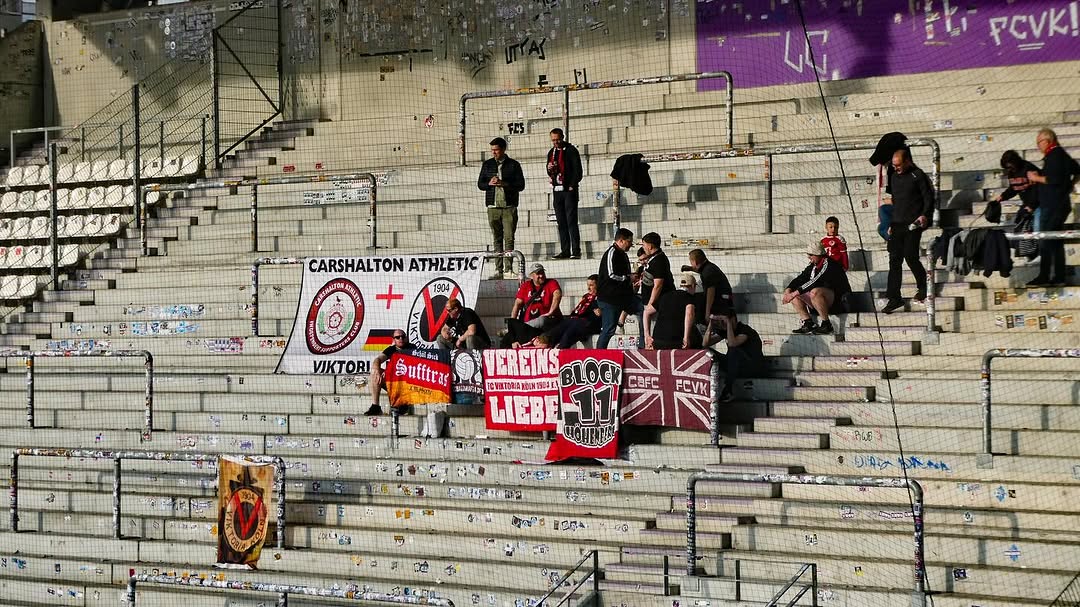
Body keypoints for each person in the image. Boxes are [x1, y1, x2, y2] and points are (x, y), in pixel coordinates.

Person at [882, 148, 934, 314]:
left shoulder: (917, 175)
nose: (896, 168)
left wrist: (925, 215)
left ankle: (923, 286)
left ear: (907, 161)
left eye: (898, 165)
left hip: (913, 223)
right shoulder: (894, 176)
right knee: (894, 260)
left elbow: (928, 198)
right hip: (897, 223)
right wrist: (891, 222)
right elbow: (896, 201)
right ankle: (894, 297)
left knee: (911, 256)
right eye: (894, 165)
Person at [1025, 128, 1079, 287]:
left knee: (1046, 241)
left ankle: (1045, 276)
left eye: (1039, 142)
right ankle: (1059, 277)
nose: (1037, 146)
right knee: (1056, 241)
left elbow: (1054, 179)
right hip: (1058, 205)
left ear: (1048, 141)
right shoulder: (1060, 154)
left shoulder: (1055, 155)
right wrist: (1068, 185)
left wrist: (1036, 177)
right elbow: (1077, 170)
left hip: (1053, 206)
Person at [477, 137, 525, 276]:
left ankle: (508, 268)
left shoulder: (513, 165)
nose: (494, 153)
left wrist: (505, 184)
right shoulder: (487, 165)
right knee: (497, 238)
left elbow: (521, 185)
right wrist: (489, 184)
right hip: (493, 207)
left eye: (496, 150)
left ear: (503, 149)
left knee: (509, 237)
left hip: (508, 206)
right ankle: (498, 269)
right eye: (492, 150)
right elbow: (480, 184)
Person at [783, 241, 848, 335]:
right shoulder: (813, 265)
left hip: (839, 301)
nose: (808, 257)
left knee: (814, 292)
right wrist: (788, 289)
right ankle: (808, 323)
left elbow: (815, 281)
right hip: (823, 299)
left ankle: (826, 324)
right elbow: (802, 278)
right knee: (794, 294)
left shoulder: (829, 264)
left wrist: (795, 292)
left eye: (811, 254)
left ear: (818, 254)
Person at [596, 228, 642, 349]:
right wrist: (628, 278)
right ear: (621, 241)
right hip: (610, 298)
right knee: (609, 329)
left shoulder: (622, 254)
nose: (631, 244)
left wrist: (631, 278)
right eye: (629, 241)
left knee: (643, 309)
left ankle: (643, 344)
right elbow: (611, 275)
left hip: (623, 297)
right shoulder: (612, 253)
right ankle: (598, 355)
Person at [532, 274, 602, 349]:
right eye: (587, 285)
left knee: (574, 325)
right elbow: (579, 311)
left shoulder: (602, 298)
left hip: (591, 324)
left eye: (591, 285)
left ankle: (561, 348)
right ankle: (545, 340)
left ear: (598, 285)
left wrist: (601, 311)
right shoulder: (586, 297)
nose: (588, 288)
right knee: (567, 321)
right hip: (579, 321)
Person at [502, 264, 562, 348]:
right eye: (538, 273)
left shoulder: (551, 282)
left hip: (546, 322)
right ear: (531, 276)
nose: (541, 275)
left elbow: (557, 294)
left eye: (542, 272)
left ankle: (517, 332)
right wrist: (513, 323)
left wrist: (550, 312)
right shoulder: (526, 286)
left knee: (542, 320)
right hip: (528, 326)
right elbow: (517, 304)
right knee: (507, 338)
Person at [712, 308, 765, 403]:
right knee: (708, 353)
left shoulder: (745, 330)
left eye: (723, 321)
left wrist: (728, 323)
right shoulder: (725, 332)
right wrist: (709, 326)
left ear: (732, 319)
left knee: (734, 351)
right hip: (734, 366)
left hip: (751, 367)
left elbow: (732, 343)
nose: (722, 324)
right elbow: (704, 344)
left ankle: (728, 390)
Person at [547, 128, 583, 260]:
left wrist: (572, 185)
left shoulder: (571, 151)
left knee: (571, 221)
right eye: (553, 140)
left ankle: (576, 250)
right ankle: (565, 249)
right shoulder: (551, 152)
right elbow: (549, 169)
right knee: (561, 221)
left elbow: (578, 170)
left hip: (568, 190)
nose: (556, 142)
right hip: (557, 191)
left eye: (558, 140)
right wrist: (549, 168)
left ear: (563, 137)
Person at [644, 272, 701, 350]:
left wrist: (647, 335)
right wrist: (686, 337)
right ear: (693, 286)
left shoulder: (665, 296)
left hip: (658, 341)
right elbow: (689, 313)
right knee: (698, 340)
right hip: (677, 342)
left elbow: (646, 312)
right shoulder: (689, 298)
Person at [684, 248, 733, 340]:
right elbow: (700, 269)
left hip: (720, 305)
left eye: (691, 262)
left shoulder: (708, 272)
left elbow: (711, 291)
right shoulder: (709, 267)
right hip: (725, 302)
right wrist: (689, 268)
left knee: (696, 300)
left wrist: (707, 312)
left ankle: (701, 329)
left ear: (694, 261)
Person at [365, 329, 415, 416]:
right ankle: (375, 406)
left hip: (408, 383)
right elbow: (378, 359)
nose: (401, 339)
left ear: (406, 338)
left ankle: (401, 404)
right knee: (374, 372)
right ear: (393, 340)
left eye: (403, 337)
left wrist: (389, 371)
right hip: (394, 383)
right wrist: (377, 368)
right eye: (397, 337)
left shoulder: (412, 348)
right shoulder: (391, 349)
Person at [638, 232, 674, 345]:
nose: (643, 247)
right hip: (650, 301)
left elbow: (658, 285)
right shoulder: (653, 259)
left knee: (655, 334)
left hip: (659, 303)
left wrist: (651, 303)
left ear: (650, 246)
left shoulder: (659, 260)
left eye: (644, 244)